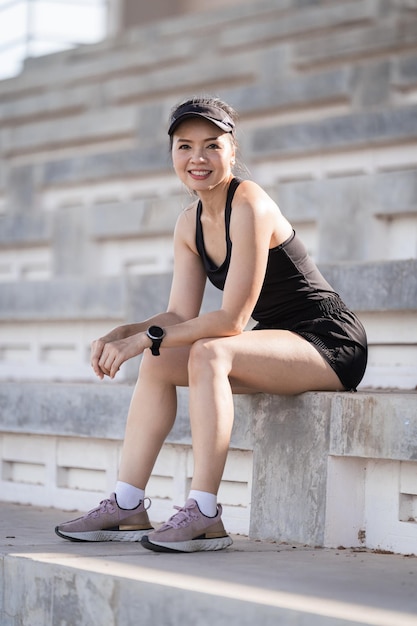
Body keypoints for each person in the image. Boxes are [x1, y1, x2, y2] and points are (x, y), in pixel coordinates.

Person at [55, 96, 367, 553]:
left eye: (211, 145)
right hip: (271, 342)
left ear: (232, 151)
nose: (197, 158)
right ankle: (127, 504)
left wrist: (146, 339)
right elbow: (180, 316)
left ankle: (203, 512)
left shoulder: (251, 203)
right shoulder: (189, 223)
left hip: (327, 339)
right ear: (173, 155)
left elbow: (231, 319)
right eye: (185, 146)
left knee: (209, 349)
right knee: (159, 362)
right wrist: (126, 332)